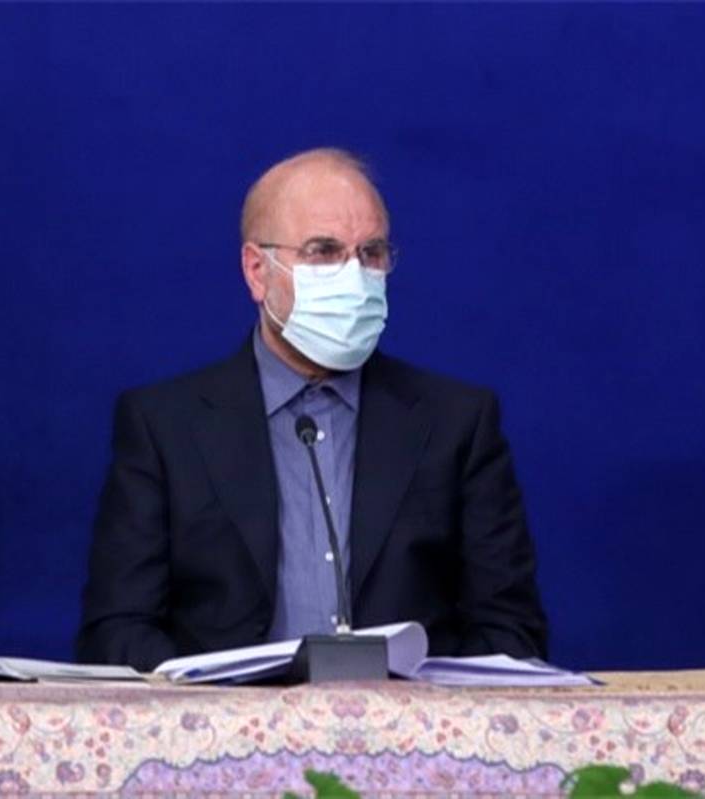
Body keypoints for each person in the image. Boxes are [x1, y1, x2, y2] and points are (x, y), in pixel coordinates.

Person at [76, 148, 547, 670]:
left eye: (371, 253)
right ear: (257, 271)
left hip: (408, 719)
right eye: (324, 252)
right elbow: (117, 632)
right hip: (226, 719)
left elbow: (510, 632)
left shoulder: (457, 422)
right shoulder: (164, 426)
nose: (354, 276)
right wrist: (224, 701)